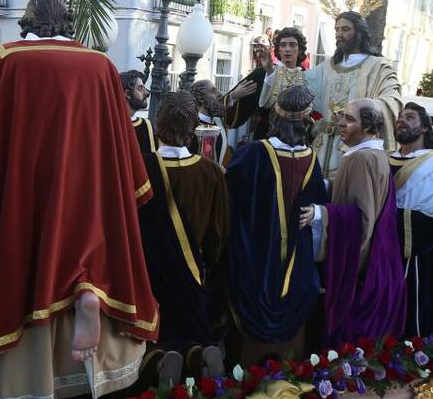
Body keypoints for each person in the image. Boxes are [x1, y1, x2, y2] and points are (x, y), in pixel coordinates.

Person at [0, 0, 158, 399]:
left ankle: (27, 390)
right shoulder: (100, 66)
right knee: (86, 251)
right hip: (88, 193)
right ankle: (88, 304)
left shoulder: (4, 60)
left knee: (26, 263)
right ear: (68, 23)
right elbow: (123, 149)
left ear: (27, 22)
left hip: (26, 193)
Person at [226, 85, 326, 363]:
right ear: (307, 121)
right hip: (296, 272)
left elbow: (229, 201)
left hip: (255, 264)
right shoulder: (312, 162)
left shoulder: (252, 154)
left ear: (275, 118)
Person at [136, 91, 229, 380]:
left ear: (158, 124)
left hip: (147, 275)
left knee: (155, 333)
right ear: (192, 132)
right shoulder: (211, 173)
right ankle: (198, 354)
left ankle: (157, 361)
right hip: (194, 273)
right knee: (192, 328)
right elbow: (219, 234)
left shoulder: (139, 169)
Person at [301, 99, 405, 344]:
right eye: (342, 117)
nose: (341, 123)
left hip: (359, 274)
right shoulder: (373, 154)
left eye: (349, 119)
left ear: (368, 127)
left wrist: (319, 213)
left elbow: (361, 219)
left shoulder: (362, 159)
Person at [388, 103, 433, 336]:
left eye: (410, 117)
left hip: (413, 258)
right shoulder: (384, 158)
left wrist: (390, 222)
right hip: (376, 249)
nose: (402, 120)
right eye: (400, 117)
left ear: (425, 128)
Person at [304, 11, 403, 174]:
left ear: (359, 32)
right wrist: (272, 71)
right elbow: (301, 82)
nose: (339, 35)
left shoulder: (377, 66)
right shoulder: (328, 66)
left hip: (354, 151)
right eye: (337, 30)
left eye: (345, 29)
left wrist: (363, 109)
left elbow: (392, 98)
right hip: (319, 153)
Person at [222, 37, 271, 143]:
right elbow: (225, 105)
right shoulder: (261, 74)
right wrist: (232, 97)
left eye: (292, 44)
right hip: (265, 139)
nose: (287, 49)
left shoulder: (305, 75)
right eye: (283, 44)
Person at [120, 69, 156, 155]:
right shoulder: (112, 124)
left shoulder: (146, 125)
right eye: (140, 88)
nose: (146, 93)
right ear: (128, 94)